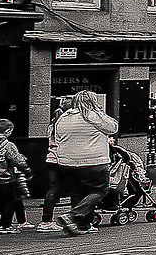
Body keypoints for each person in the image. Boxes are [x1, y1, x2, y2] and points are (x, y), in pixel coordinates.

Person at [50, 89, 119, 235]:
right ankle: (72, 216)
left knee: (78, 192)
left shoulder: (63, 117)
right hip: (93, 162)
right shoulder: (92, 116)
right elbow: (113, 128)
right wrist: (100, 112)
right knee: (100, 190)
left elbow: (57, 137)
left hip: (67, 163)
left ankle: (81, 225)